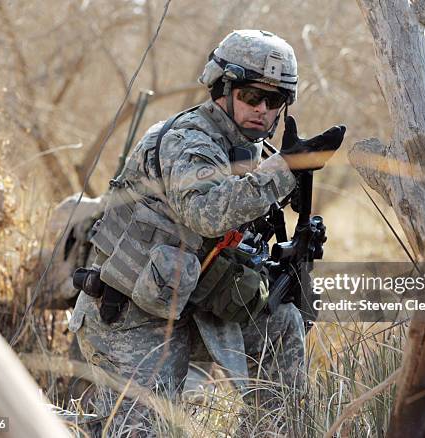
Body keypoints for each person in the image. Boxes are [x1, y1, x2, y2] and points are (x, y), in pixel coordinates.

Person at [68, 29, 345, 436]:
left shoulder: (247, 149)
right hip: (131, 315)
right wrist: (286, 169)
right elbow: (207, 213)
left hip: (192, 304)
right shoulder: (189, 141)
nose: (263, 111)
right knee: (141, 430)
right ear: (222, 87)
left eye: (275, 101)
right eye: (252, 96)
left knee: (282, 326)